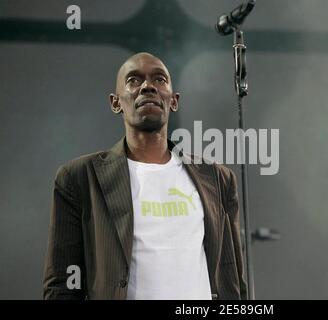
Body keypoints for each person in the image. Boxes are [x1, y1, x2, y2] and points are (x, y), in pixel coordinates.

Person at [43, 52, 247, 300]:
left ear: (174, 100)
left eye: (159, 80)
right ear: (115, 102)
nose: (148, 87)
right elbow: (62, 285)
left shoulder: (217, 178)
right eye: (134, 80)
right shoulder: (79, 178)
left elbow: (232, 278)